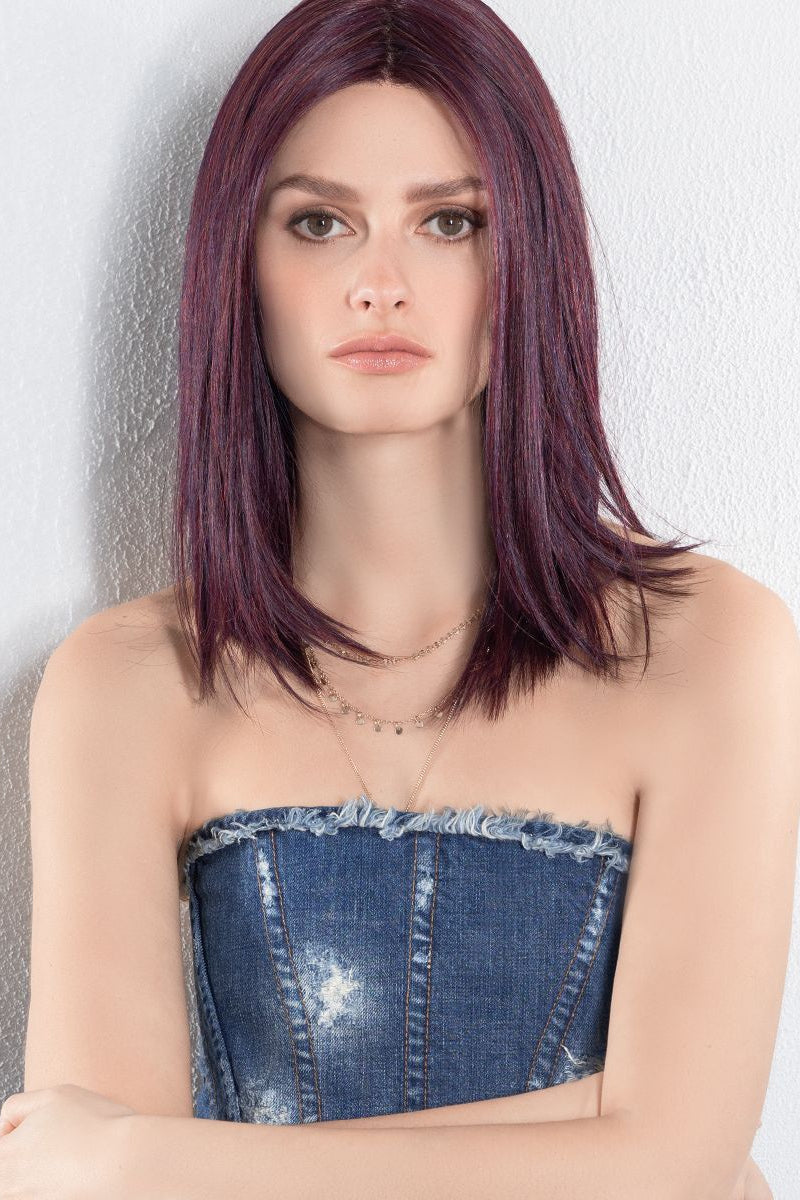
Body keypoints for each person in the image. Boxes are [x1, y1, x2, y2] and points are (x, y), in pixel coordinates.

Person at [3, 1, 793, 1196]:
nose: (379, 284)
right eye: (319, 222)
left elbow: (672, 1159)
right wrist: (602, 1132)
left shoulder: (709, 648)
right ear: (236, 264)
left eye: (449, 221)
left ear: (528, 257)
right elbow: (81, 1189)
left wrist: (149, 1154)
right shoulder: (127, 685)